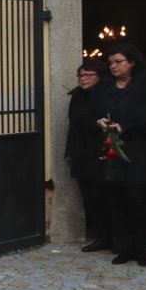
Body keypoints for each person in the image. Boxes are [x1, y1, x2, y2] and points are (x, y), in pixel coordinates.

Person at [90, 43, 146, 266]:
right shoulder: (104, 87)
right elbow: (92, 111)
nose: (113, 66)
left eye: (118, 62)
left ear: (132, 62)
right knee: (115, 202)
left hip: (138, 152)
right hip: (111, 152)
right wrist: (100, 121)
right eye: (110, 63)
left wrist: (126, 126)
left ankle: (142, 249)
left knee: (139, 203)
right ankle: (124, 247)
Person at [65, 61, 112, 252]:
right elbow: (75, 119)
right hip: (81, 150)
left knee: (105, 197)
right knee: (90, 198)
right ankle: (102, 237)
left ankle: (114, 237)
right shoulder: (77, 96)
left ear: (99, 76)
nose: (83, 79)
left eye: (88, 75)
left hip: (100, 150)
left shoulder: (106, 94)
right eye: (80, 75)